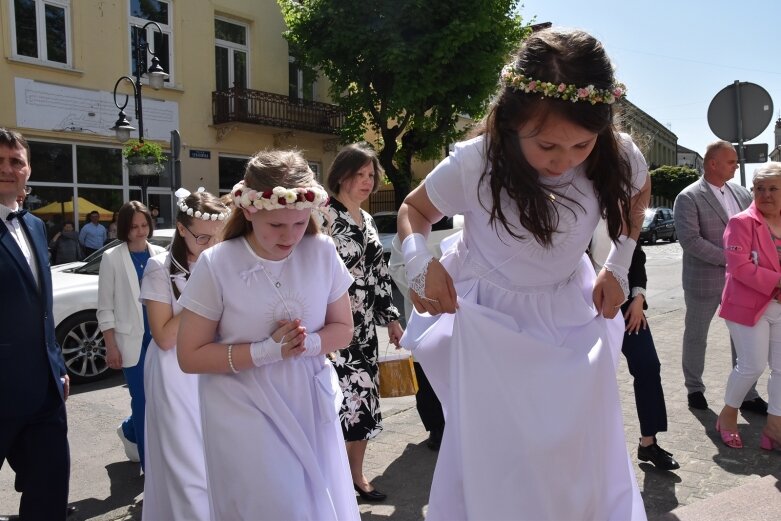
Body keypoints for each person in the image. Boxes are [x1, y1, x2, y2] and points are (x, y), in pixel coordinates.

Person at [397, 28, 650, 520]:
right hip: (490, 322)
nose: (564, 161)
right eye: (548, 145)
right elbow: (413, 210)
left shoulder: (616, 154)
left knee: (575, 451)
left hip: (569, 313)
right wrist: (419, 262)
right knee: (505, 456)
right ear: (514, 121)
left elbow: (638, 194)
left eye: (581, 145)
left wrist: (618, 262)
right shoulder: (475, 163)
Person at [176, 150, 360, 521]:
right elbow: (189, 355)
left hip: (306, 400)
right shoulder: (218, 263)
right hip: (242, 409)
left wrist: (307, 344)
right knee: (276, 507)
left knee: (310, 505)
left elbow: (344, 330)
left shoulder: (322, 252)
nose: (290, 235)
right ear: (248, 210)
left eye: (298, 223)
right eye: (277, 225)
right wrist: (264, 352)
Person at [319, 143, 403, 501]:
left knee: (363, 403)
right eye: (360, 174)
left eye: (372, 175)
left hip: (365, 329)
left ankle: (356, 476)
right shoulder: (322, 216)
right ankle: (329, 480)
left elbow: (380, 276)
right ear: (341, 175)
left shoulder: (367, 219)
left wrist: (393, 321)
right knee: (335, 404)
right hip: (332, 327)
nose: (368, 181)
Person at [141, 188, 229, 521]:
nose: (211, 247)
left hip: (215, 365)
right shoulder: (158, 267)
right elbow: (163, 336)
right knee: (184, 461)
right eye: (202, 238)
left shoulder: (222, 261)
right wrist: (200, 294)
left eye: (218, 239)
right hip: (173, 372)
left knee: (216, 458)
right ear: (181, 229)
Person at [0, 128, 71, 520]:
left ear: (28, 171)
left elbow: (41, 306)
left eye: (16, 161)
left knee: (48, 494)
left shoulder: (35, 226)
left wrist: (56, 364)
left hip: (44, 393)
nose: (8, 169)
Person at [674, 140, 767, 413]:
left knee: (744, 338)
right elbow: (690, 241)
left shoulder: (741, 194)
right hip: (704, 280)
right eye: (731, 161)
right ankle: (694, 388)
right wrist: (732, 260)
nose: (736, 165)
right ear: (713, 163)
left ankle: (747, 393)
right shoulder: (688, 197)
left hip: (742, 282)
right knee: (696, 335)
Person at [590, 224, 679, 470]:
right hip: (582, 305)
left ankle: (648, 443)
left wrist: (638, 297)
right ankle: (589, 451)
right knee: (590, 378)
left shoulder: (618, 207)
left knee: (648, 366)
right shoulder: (572, 203)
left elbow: (636, 256)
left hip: (627, 304)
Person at [716, 162, 781, 450]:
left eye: (773, 188)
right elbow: (739, 267)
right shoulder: (740, 222)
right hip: (748, 307)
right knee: (751, 366)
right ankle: (727, 416)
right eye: (759, 188)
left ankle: (774, 428)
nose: (765, 194)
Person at [97, 201, 166, 471]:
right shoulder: (111, 258)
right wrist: (110, 346)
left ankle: (129, 429)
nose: (140, 231)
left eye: (144, 225)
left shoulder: (160, 253)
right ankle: (150, 468)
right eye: (134, 227)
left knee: (161, 400)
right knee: (143, 401)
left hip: (160, 340)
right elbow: (105, 307)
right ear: (124, 228)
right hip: (131, 344)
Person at [389, 234, 447, 451]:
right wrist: (426, 290)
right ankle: (436, 427)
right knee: (425, 375)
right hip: (420, 312)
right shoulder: (405, 234)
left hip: (455, 308)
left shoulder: (461, 221)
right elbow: (396, 267)